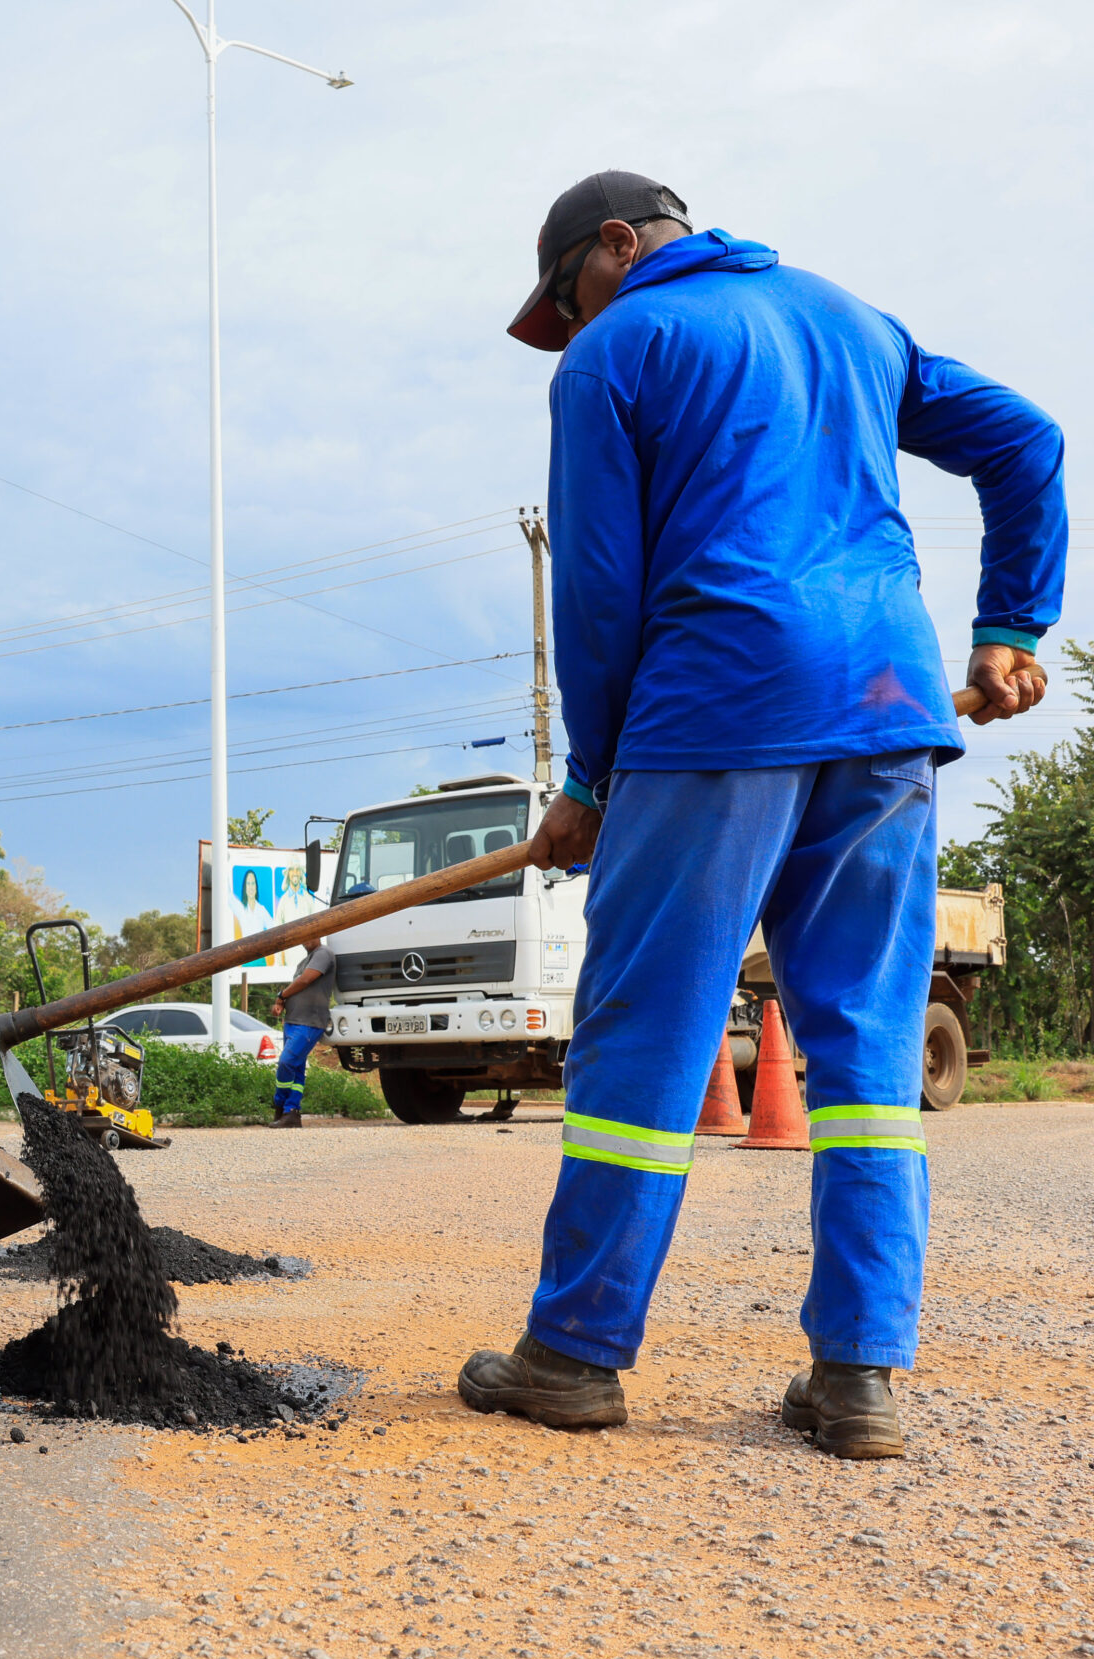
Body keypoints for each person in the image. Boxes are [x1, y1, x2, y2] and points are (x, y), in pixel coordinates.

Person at [460, 172, 1063, 1459]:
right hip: (890, 706)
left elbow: (603, 590)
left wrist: (589, 780)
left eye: (565, 296)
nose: (567, 328)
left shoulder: (617, 351)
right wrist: (1011, 619)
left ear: (615, 248)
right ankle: (858, 1382)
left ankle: (571, 1354)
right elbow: (1025, 440)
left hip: (716, 706)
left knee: (648, 1039)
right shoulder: (852, 319)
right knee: (866, 1057)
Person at [268, 934, 334, 1130]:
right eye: (302, 936)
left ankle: (280, 1105)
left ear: (320, 935)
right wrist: (281, 1003)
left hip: (309, 1022)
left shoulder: (324, 953)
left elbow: (305, 980)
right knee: (296, 1068)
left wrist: (282, 994)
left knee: (286, 1062)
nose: (306, 939)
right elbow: (298, 987)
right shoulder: (304, 960)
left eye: (311, 934)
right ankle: (291, 1113)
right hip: (293, 1020)